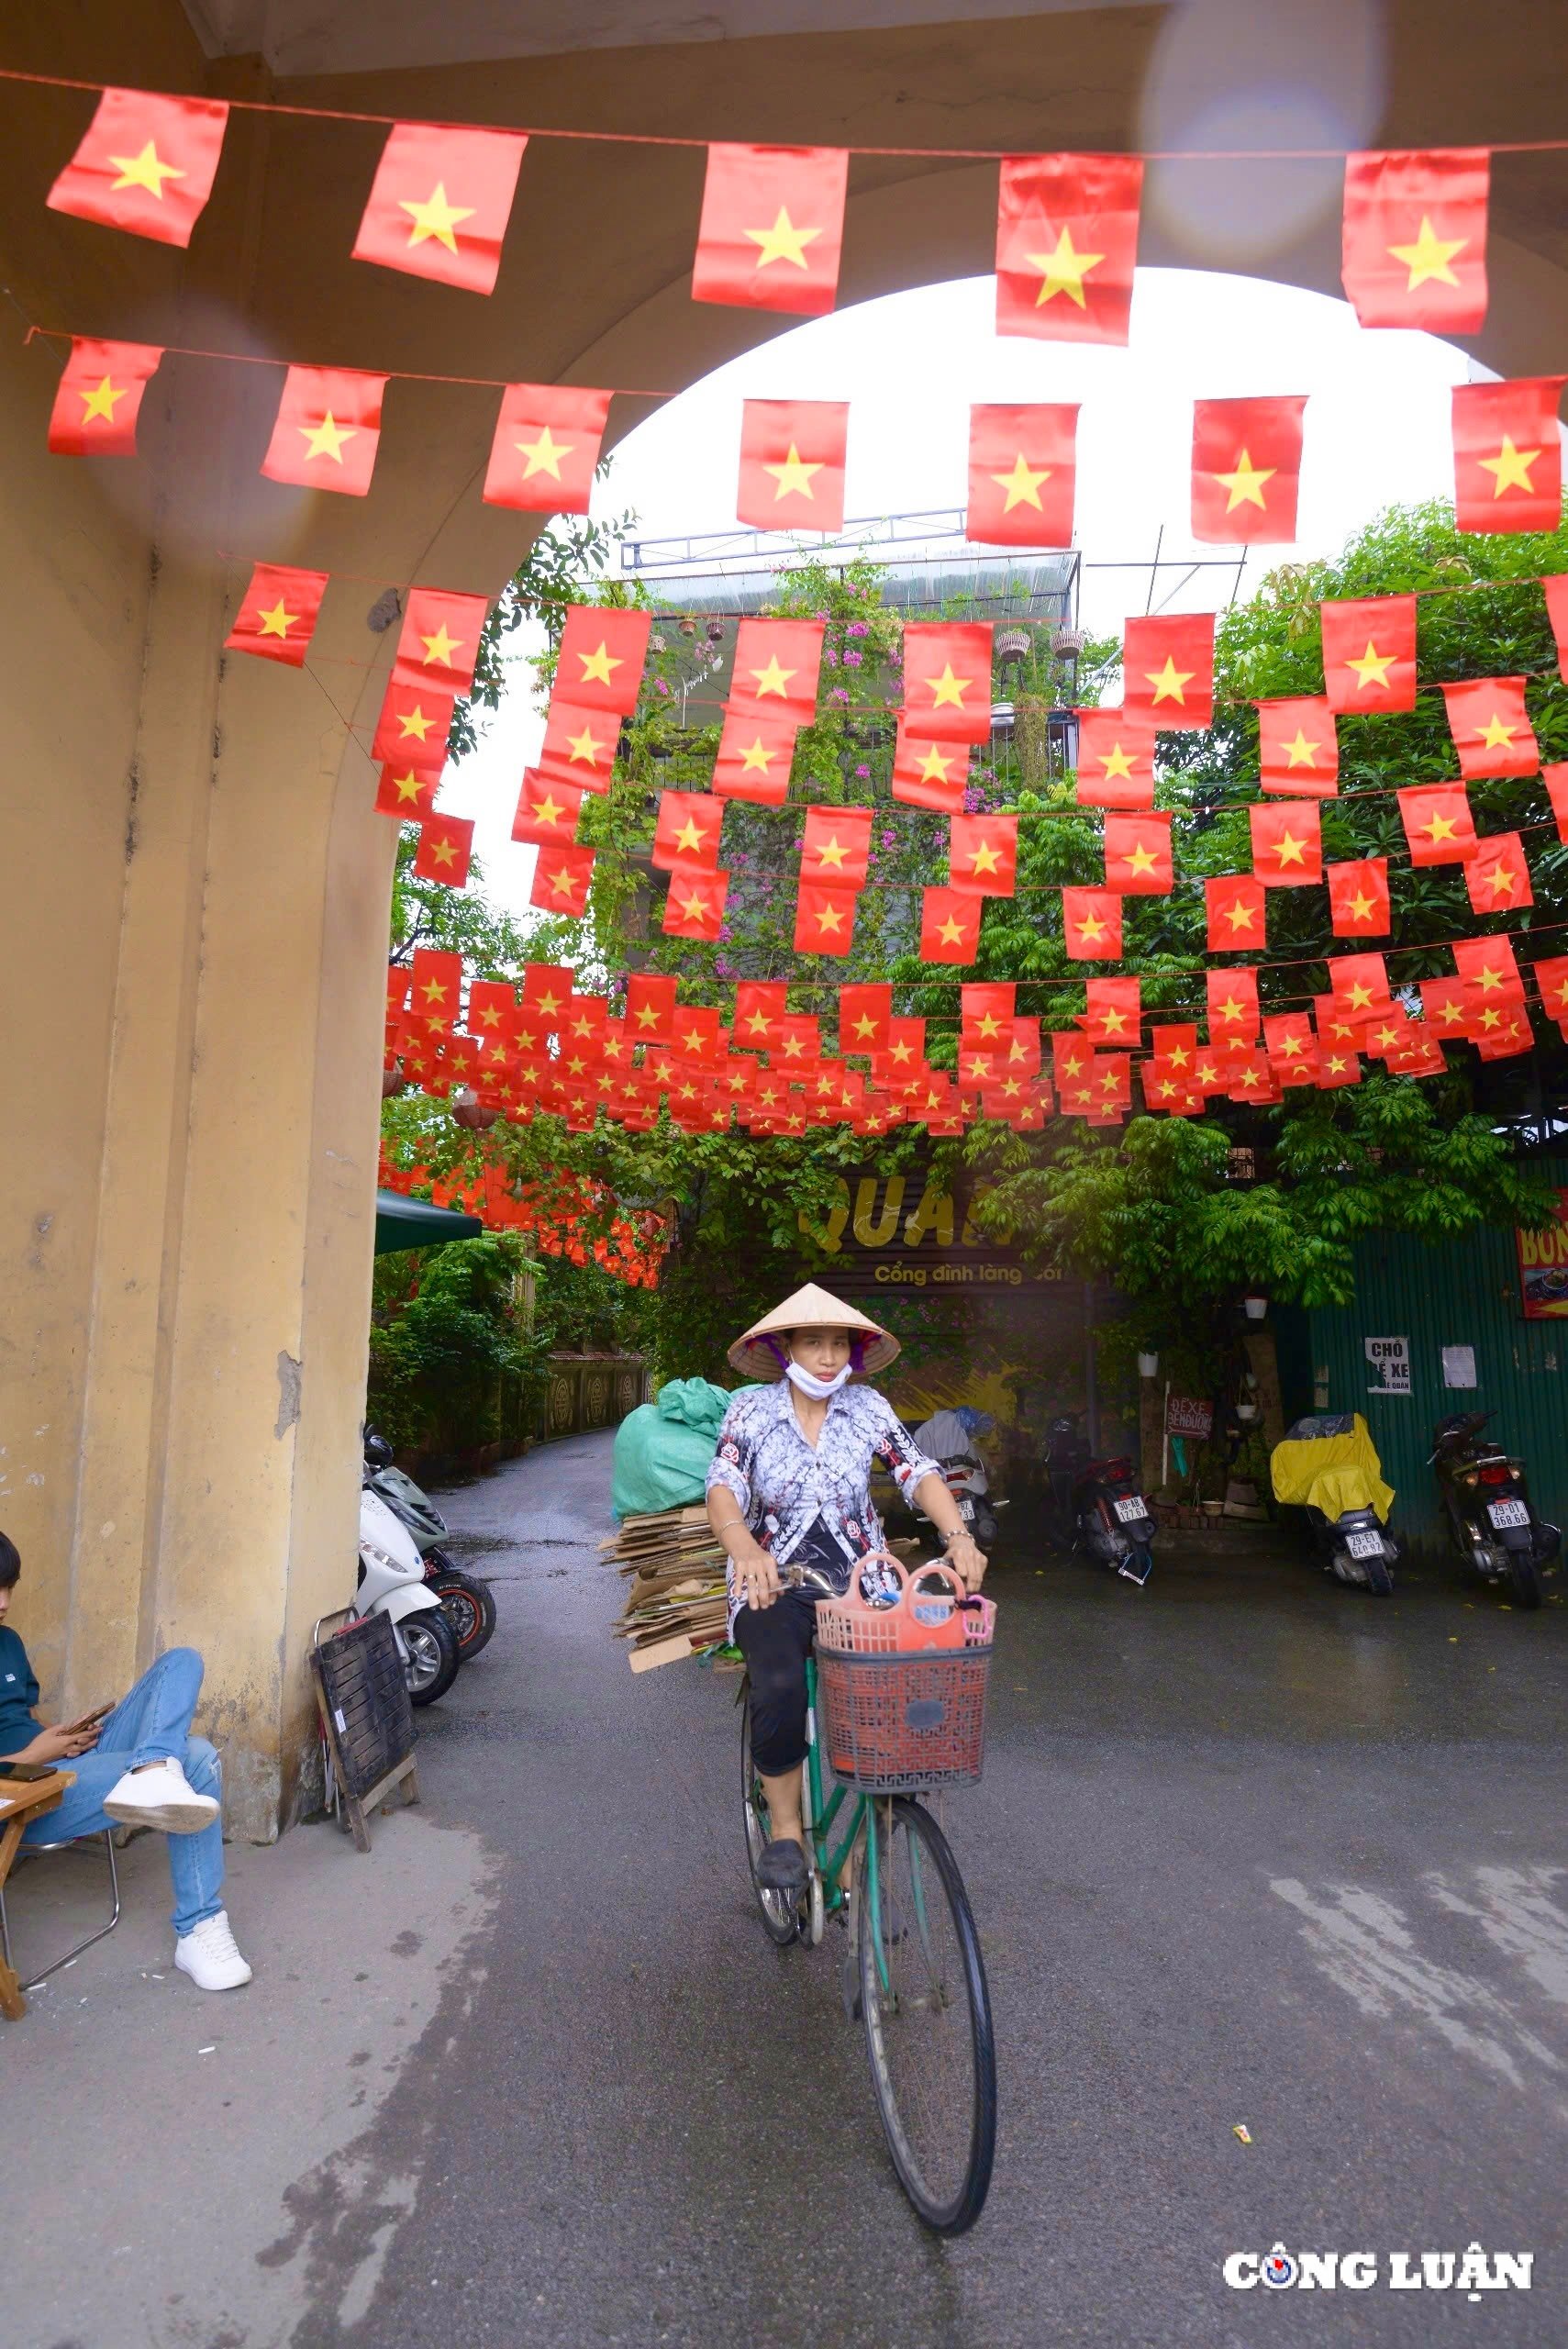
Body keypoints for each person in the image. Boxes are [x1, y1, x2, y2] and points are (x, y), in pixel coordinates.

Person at [706, 1284, 986, 1892]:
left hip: (864, 1580)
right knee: (778, 1684)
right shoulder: (750, 1409)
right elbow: (723, 1486)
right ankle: (784, 1829)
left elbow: (917, 1472)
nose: (828, 1356)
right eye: (814, 1343)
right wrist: (745, 1548)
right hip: (773, 1581)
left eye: (838, 1344)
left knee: (909, 1694)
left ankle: (872, 1839)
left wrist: (957, 1534)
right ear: (785, 1349)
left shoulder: (868, 1410)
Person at [0, 1531, 251, 1991]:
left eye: (9, 1586)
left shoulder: (8, 1641)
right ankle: (200, 1926)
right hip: (22, 1794)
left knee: (182, 1661)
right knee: (196, 1759)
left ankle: (152, 1768)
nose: (3, 1601)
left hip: (56, 1761)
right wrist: (39, 1754)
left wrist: (60, 1736)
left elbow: (19, 1715)